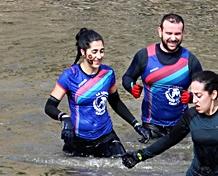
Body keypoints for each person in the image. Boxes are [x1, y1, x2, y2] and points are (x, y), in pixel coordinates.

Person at [44, 27, 147, 158]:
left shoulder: (108, 74)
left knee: (123, 165)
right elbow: (49, 107)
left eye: (102, 51)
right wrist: (64, 118)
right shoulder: (70, 76)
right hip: (79, 138)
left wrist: (136, 125)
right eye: (94, 51)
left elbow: (115, 102)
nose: (99, 56)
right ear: (83, 52)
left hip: (106, 135)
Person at [122, 13, 203, 140]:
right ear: (160, 32)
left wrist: (192, 97)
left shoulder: (190, 61)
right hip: (151, 125)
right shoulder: (145, 56)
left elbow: (205, 93)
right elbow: (127, 77)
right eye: (169, 33)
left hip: (182, 125)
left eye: (177, 34)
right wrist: (132, 87)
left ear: (183, 33)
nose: (173, 38)